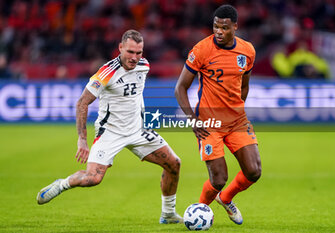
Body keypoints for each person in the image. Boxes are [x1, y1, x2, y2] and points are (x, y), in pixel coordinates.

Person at [37, 30, 183, 224]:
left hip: (138, 131)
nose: (134, 57)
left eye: (139, 53)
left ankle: (168, 214)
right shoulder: (106, 72)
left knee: (174, 163)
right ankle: (62, 184)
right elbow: (82, 103)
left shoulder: (144, 66)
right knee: (93, 179)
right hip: (110, 133)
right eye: (130, 52)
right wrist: (82, 139)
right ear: (120, 48)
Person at [175, 5, 261, 225]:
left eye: (224, 27)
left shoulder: (247, 50)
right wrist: (192, 120)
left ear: (235, 27)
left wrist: (237, 109)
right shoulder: (201, 50)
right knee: (219, 178)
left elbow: (244, 85)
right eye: (215, 26)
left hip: (237, 121)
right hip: (209, 123)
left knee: (254, 171)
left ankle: (226, 199)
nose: (219, 31)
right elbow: (180, 88)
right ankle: (200, 212)